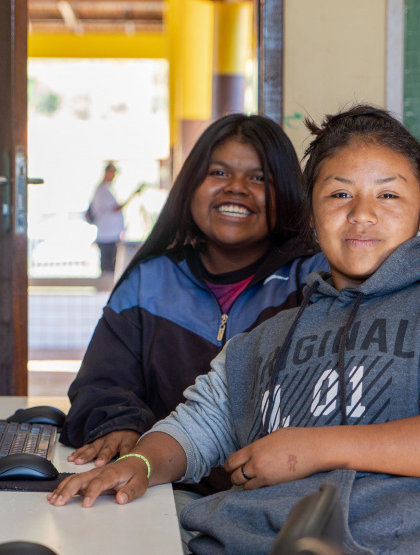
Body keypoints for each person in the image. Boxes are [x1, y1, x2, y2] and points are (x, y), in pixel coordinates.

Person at [49, 105, 420, 555]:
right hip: (226, 540)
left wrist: (311, 448)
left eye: (388, 194)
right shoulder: (275, 331)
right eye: (339, 193)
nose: (362, 212)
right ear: (311, 211)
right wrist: (142, 465)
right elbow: (198, 426)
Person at [62, 113, 327, 496]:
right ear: (190, 187)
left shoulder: (314, 281)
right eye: (218, 173)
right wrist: (120, 422)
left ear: (286, 192)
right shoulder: (148, 281)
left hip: (275, 500)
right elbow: (101, 382)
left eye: (258, 178)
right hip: (163, 490)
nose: (236, 189)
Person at [87, 162, 141, 274]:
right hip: (107, 235)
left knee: (111, 268)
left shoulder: (106, 189)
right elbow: (115, 208)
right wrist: (133, 195)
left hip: (110, 235)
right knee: (108, 270)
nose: (114, 176)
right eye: (113, 173)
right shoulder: (102, 190)